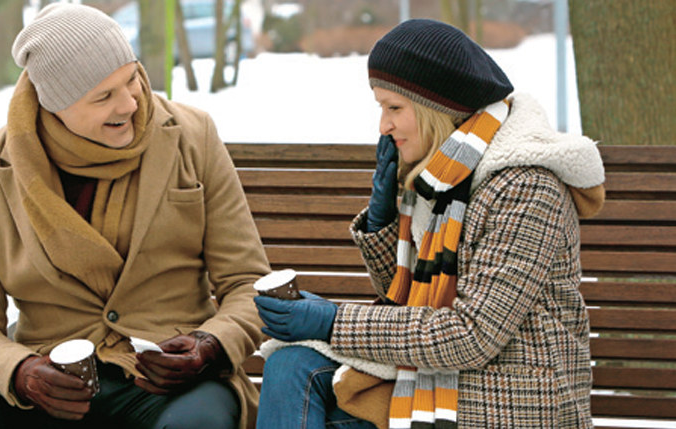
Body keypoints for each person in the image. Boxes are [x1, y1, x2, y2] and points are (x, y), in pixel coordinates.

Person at [0, 3, 270, 429]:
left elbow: (248, 284)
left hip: (171, 387)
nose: (131, 103)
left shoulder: (192, 136)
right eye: (104, 96)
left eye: (131, 78)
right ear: (53, 103)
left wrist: (208, 345)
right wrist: (21, 373)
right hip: (49, 390)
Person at [254, 19, 605, 429]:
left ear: (436, 108)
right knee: (290, 364)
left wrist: (331, 320)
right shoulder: (444, 171)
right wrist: (385, 221)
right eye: (381, 108)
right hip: (441, 378)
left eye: (394, 108)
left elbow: (470, 335)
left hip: (511, 398)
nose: (383, 127)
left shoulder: (527, 187)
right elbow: (408, 300)